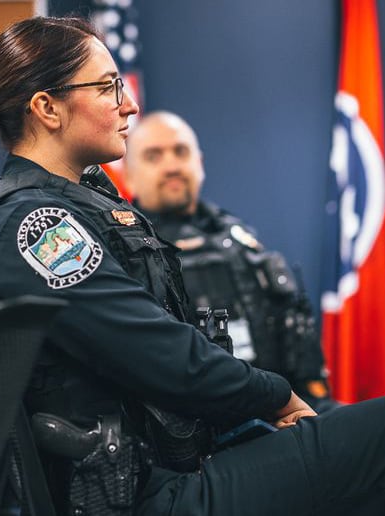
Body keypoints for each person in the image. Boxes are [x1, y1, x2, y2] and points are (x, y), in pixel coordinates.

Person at [0, 16, 385, 516]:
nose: (128, 104)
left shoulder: (82, 204)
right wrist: (276, 399)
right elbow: (162, 355)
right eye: (107, 87)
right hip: (146, 495)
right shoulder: (31, 225)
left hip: (184, 461)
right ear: (47, 108)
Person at [122, 111, 337, 412]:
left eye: (181, 151)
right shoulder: (127, 253)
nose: (171, 165)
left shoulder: (239, 237)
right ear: (128, 174)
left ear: (200, 162)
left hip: (287, 408)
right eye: (153, 156)